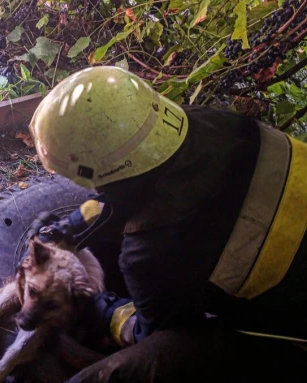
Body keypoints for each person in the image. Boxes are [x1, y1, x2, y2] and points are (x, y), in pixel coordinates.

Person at [26, 66, 307, 382]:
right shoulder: (210, 122)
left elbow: (152, 334)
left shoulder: (149, 255)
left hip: (294, 337)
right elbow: (137, 185)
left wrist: (98, 307)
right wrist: (68, 229)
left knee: (117, 373)